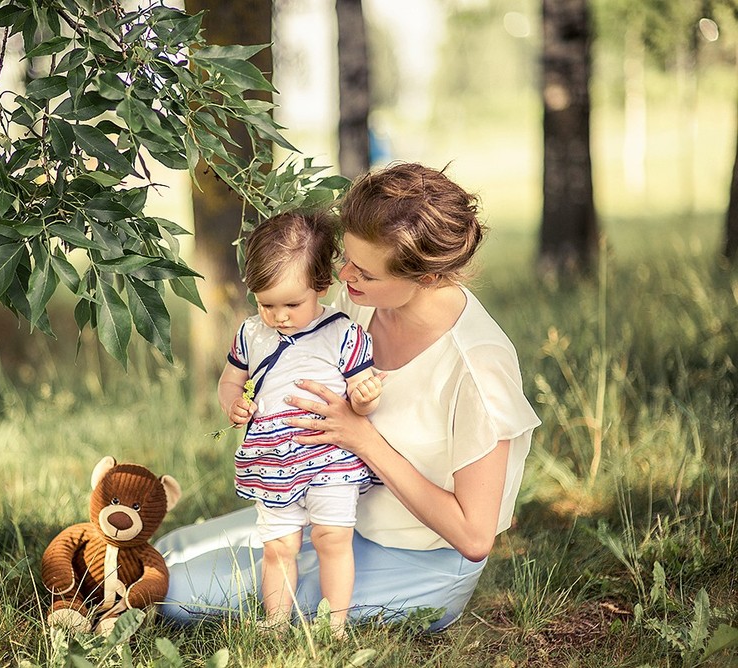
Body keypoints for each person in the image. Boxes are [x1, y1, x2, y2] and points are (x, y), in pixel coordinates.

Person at [155, 162, 541, 632]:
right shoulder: (363, 301)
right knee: (168, 551)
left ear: (426, 277)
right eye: (348, 258)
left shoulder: (478, 367)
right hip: (329, 505)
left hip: (417, 557)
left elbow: (474, 535)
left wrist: (363, 439)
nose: (344, 275)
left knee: (172, 596)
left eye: (364, 272)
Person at [218, 210, 383, 635]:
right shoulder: (250, 334)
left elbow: (360, 404)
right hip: (272, 458)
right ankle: (275, 622)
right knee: (279, 546)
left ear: (322, 287)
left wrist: (363, 401)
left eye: (293, 303)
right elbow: (230, 379)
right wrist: (233, 403)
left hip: (329, 455)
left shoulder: (341, 334)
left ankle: (335, 624)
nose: (280, 316)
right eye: (266, 304)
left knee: (332, 538)